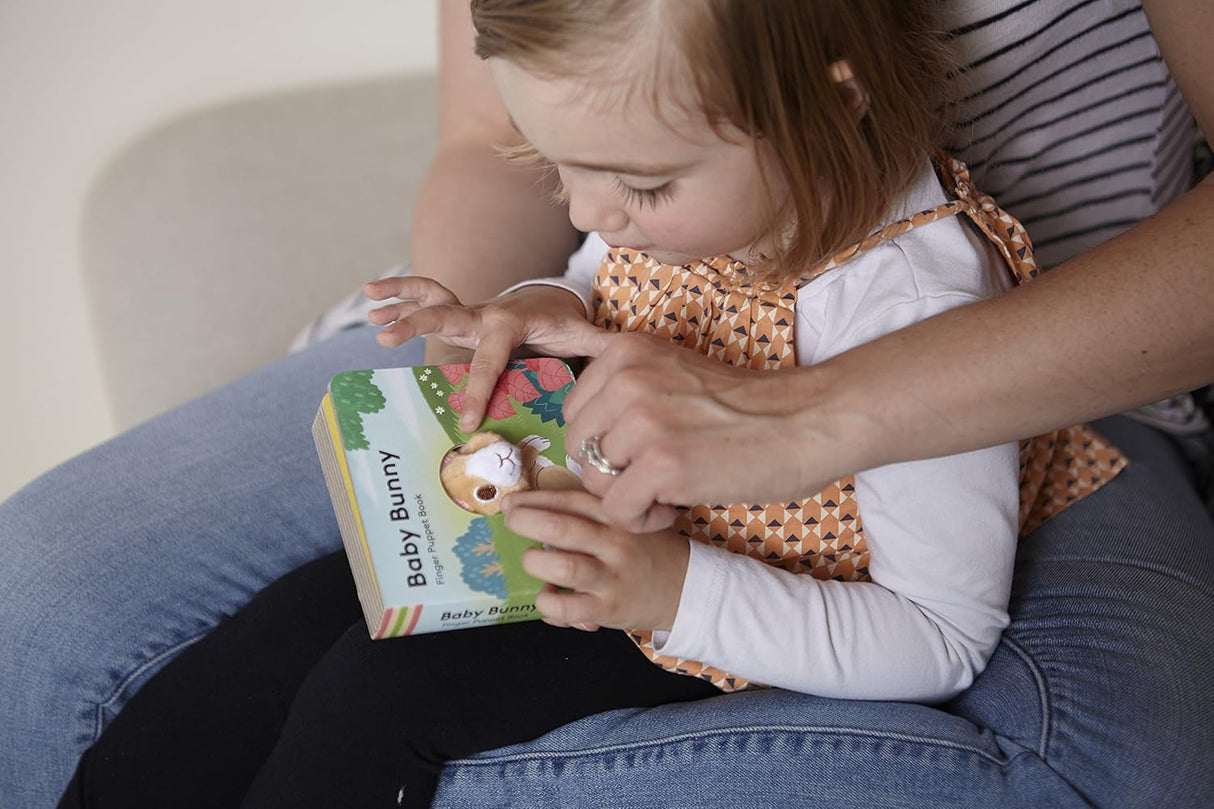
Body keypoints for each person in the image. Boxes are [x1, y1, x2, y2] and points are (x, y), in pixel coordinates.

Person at [2, 1, 1211, 808]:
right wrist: (514, 308)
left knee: (380, 697)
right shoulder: (696, 186)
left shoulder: (909, 300)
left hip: (727, 592)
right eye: (555, 169)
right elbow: (578, 258)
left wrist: (666, 592)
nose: (585, 213)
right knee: (283, 624)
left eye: (633, 181)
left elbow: (936, 635)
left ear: (833, 99)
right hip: (596, 521)